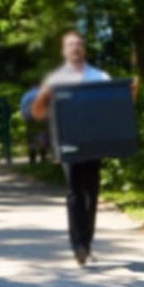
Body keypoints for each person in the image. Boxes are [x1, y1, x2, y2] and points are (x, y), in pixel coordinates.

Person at [31, 30, 109, 267]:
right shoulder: (55, 80)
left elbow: (115, 107)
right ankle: (79, 245)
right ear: (64, 51)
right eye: (70, 45)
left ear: (83, 49)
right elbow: (38, 113)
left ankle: (86, 240)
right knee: (75, 192)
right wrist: (43, 97)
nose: (75, 48)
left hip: (93, 142)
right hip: (68, 143)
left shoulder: (99, 76)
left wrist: (130, 93)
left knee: (91, 193)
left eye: (78, 44)